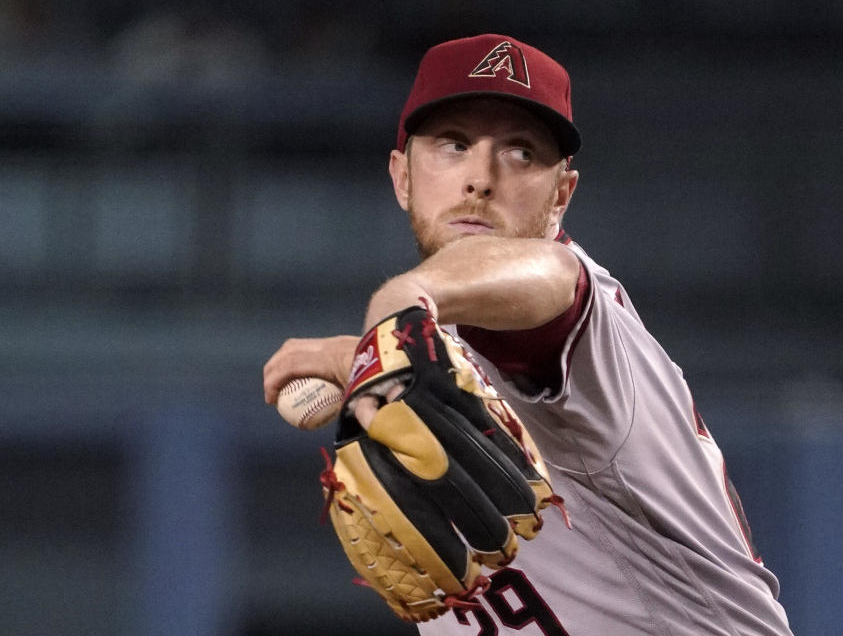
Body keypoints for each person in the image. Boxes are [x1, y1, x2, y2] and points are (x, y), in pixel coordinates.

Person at [263, 33, 793, 635]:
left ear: (562, 195)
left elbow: (551, 279)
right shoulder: (425, 358)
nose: (481, 179)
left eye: (520, 154)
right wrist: (350, 356)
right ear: (402, 177)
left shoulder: (578, 314)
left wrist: (399, 303)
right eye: (453, 145)